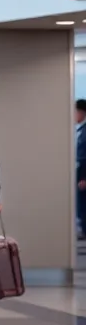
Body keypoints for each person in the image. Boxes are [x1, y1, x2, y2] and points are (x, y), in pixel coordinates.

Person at [76, 99, 86, 240]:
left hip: (83, 173)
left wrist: (84, 177)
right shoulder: (81, 131)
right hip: (80, 172)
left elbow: (85, 157)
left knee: (83, 205)